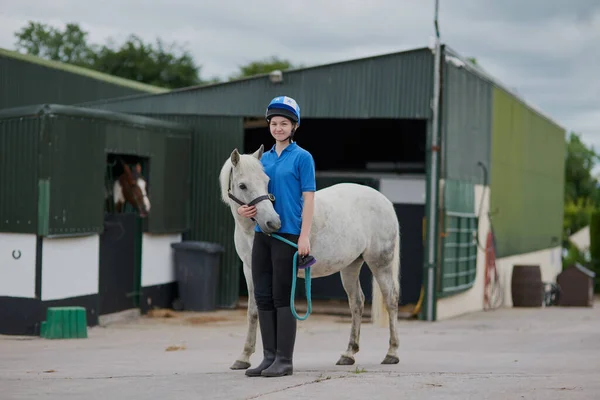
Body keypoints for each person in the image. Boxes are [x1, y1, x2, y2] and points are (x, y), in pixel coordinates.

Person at [237, 95, 316, 378]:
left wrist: (304, 236)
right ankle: (268, 357)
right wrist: (246, 210)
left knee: (283, 298)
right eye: (274, 123)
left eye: (284, 123)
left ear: (294, 126)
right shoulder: (262, 159)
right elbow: (251, 191)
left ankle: (285, 360)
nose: (278, 128)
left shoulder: (303, 158)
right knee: (263, 296)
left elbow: (309, 199)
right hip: (262, 234)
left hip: (289, 234)